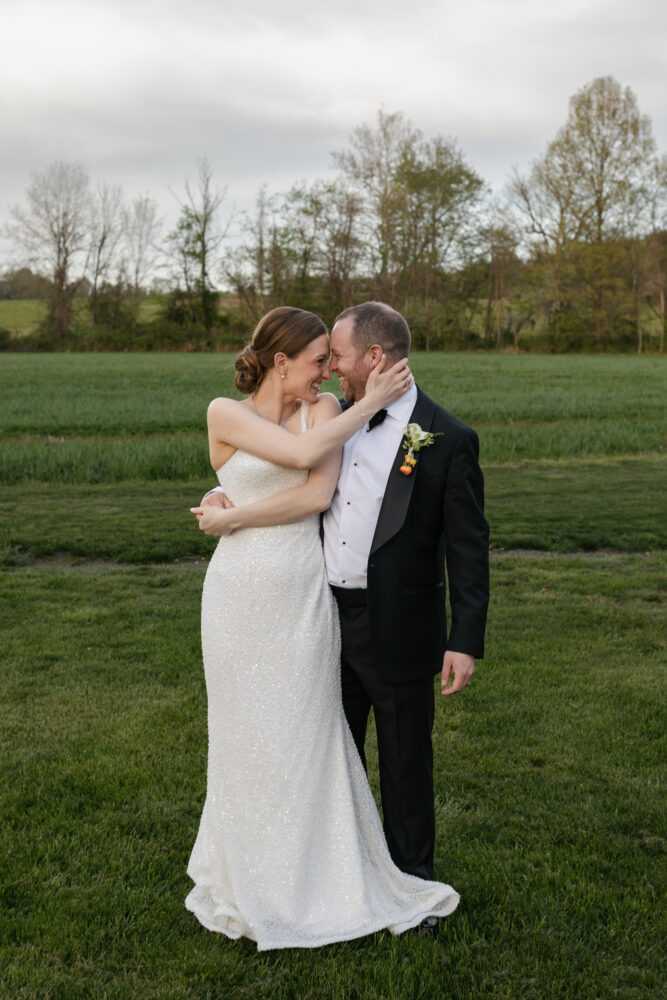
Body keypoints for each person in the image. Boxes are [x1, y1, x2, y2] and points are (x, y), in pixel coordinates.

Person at [186, 306, 460, 951]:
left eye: (332, 360)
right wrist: (232, 510)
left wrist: (235, 514)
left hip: (300, 593)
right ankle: (248, 870)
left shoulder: (327, 409)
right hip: (236, 595)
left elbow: (314, 492)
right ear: (280, 361)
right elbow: (282, 461)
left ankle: (320, 872)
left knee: (305, 730)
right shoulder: (224, 411)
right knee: (243, 734)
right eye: (317, 360)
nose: (328, 372)